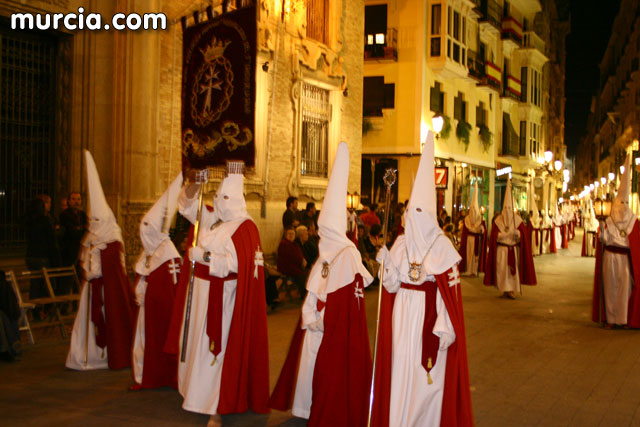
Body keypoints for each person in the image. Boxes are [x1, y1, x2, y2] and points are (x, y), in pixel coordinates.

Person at [371, 131, 473, 427]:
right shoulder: (401, 243)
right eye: (408, 212)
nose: (411, 218)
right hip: (402, 315)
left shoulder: (442, 246)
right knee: (401, 370)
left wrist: (444, 327)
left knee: (425, 379)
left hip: (428, 321)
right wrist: (386, 264)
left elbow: (446, 296)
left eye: (418, 212)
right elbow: (391, 285)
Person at [270, 142, 374, 425]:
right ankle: (306, 408)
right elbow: (314, 289)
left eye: (325, 230)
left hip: (332, 329)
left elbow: (350, 300)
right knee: (308, 369)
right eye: (320, 229)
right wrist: (309, 313)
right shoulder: (325, 255)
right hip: (315, 324)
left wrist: (325, 318)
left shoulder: (348, 256)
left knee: (329, 372)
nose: (320, 235)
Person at [164, 162, 269, 426]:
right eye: (217, 197)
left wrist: (205, 256)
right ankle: (196, 395)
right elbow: (186, 205)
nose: (219, 202)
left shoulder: (246, 228)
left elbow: (237, 265)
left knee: (215, 352)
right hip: (199, 293)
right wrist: (196, 181)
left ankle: (215, 406)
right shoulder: (214, 221)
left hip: (223, 299)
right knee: (197, 347)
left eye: (224, 198)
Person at [66, 150, 136, 370]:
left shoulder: (113, 241)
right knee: (86, 324)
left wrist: (94, 269)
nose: (93, 224)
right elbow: (84, 260)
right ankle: (87, 356)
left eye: (97, 220)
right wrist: (88, 267)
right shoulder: (92, 237)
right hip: (92, 290)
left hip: (107, 292)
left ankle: (108, 354)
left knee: (110, 320)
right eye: (91, 220)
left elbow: (113, 271)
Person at [130, 173, 183, 391]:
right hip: (146, 311)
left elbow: (166, 289)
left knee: (158, 341)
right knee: (144, 343)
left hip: (160, 312)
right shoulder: (150, 251)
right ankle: (145, 373)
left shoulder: (168, 254)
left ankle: (159, 375)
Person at [592, 155, 640, 328]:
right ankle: (610, 319)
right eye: (621, 202)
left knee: (624, 289)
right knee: (610, 288)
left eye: (627, 203)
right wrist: (602, 229)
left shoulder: (634, 221)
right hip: (610, 257)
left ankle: (623, 319)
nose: (624, 206)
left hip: (624, 260)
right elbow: (603, 240)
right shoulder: (609, 220)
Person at [483, 179, 537, 299]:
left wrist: (518, 235)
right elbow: (493, 237)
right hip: (501, 250)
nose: (507, 211)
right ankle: (504, 290)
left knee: (513, 271)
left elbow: (523, 238)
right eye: (505, 208)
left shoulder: (518, 221)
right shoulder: (498, 221)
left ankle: (511, 290)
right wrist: (502, 236)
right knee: (502, 271)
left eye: (509, 208)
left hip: (513, 250)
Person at [24, 197, 60, 305]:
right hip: (42, 257)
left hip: (31, 256)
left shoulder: (29, 221)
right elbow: (51, 240)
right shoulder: (44, 221)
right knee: (48, 284)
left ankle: (35, 309)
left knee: (35, 283)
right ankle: (43, 308)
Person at [459, 181, 487, 276]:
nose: (473, 212)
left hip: (476, 239)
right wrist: (475, 229)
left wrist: (482, 229)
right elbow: (466, 230)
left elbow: (483, 231)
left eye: (475, 210)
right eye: (472, 210)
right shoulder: (467, 219)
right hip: (469, 240)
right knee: (468, 255)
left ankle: (474, 270)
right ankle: (468, 269)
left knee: (476, 255)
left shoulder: (481, 219)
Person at [59, 191, 88, 271]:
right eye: (74, 199)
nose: (76, 202)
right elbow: (72, 232)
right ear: (69, 201)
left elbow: (87, 228)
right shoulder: (65, 215)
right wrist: (82, 228)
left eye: (78, 199)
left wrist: (80, 228)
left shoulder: (82, 214)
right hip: (69, 251)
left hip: (81, 250)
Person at [278, 227, 308, 299]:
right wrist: (301, 261)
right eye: (289, 234)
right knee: (301, 275)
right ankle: (304, 295)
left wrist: (303, 259)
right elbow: (290, 256)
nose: (291, 235)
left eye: (293, 234)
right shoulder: (283, 244)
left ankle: (305, 293)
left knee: (307, 273)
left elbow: (300, 254)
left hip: (294, 265)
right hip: (287, 266)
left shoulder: (295, 244)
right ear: (285, 235)